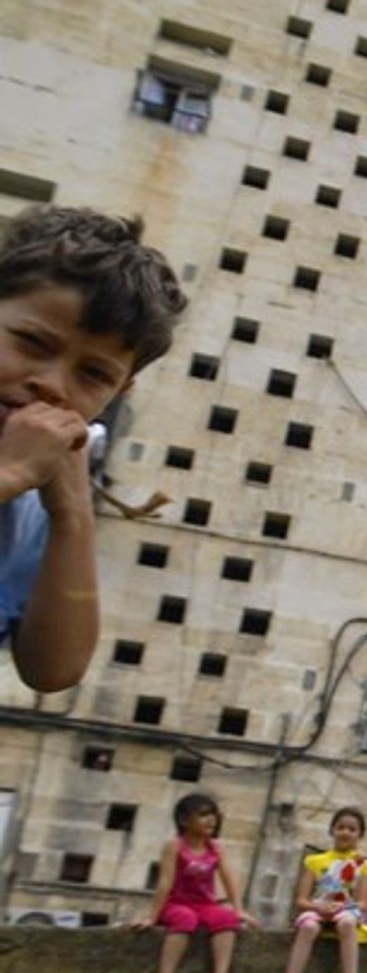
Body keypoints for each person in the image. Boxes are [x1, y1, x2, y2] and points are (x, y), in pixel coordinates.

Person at [0, 206, 185, 691]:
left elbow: (53, 670)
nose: (53, 385)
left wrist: (73, 514)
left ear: (120, 392)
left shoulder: (40, 498)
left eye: (94, 375)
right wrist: (9, 474)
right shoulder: (18, 472)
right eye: (32, 343)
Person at [137, 792, 258, 973]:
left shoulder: (214, 848)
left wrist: (238, 909)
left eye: (213, 814)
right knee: (185, 919)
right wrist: (152, 916)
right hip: (176, 904)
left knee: (226, 919)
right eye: (203, 815)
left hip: (204, 904)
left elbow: (228, 879)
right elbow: (165, 882)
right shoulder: (175, 846)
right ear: (184, 820)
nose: (211, 819)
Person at [271, 806, 367, 973]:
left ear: (360, 835)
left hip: (346, 911)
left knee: (346, 924)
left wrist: (342, 907)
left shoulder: (363, 865)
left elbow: (363, 903)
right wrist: (318, 907)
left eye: (352, 829)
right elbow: (301, 900)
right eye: (340, 827)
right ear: (332, 830)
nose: (345, 832)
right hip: (317, 909)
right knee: (308, 927)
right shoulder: (314, 862)